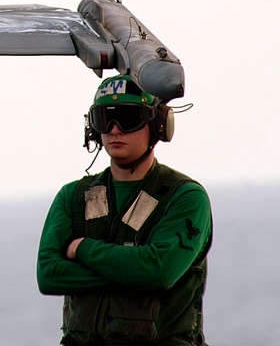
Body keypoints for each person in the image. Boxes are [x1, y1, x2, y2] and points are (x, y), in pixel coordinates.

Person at [36, 74, 212, 345]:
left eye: (128, 119)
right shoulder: (73, 196)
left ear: (157, 126)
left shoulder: (185, 197)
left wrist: (83, 248)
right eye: (105, 119)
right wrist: (130, 270)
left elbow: (158, 271)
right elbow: (48, 275)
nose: (115, 130)